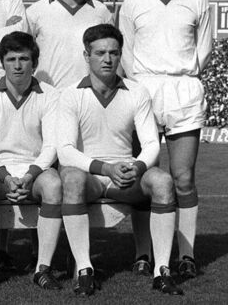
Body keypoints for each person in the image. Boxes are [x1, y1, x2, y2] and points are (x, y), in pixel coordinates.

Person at [57, 24, 183, 296]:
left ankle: (161, 270)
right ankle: (84, 269)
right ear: (86, 56)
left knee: (162, 180)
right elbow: (65, 150)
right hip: (90, 176)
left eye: (114, 53)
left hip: (124, 176)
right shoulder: (71, 94)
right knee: (71, 177)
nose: (107, 59)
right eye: (100, 53)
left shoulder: (137, 92)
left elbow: (151, 143)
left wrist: (136, 167)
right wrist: (105, 168)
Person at [119, 0, 212, 280]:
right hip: (143, 90)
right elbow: (126, 53)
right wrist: (141, 85)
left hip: (183, 91)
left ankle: (186, 254)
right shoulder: (133, 2)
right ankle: (144, 253)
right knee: (145, 177)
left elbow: (204, 49)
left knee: (183, 178)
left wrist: (182, 74)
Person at [0, 32, 62, 290]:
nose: (17, 65)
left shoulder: (50, 94)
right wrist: (6, 177)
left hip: (35, 168)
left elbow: (51, 144)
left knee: (53, 185)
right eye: (11, 59)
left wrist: (29, 176)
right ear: (2, 62)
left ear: (34, 63)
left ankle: (43, 268)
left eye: (24, 59)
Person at [26, 0, 114, 88]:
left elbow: (115, 58)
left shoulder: (101, 11)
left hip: (89, 96)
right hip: (50, 95)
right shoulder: (35, 12)